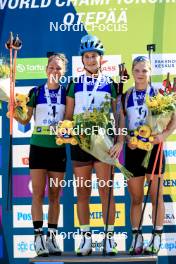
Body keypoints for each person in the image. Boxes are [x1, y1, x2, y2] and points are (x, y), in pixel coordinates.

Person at [111, 56, 176, 255]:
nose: (140, 74)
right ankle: (137, 237)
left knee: (156, 195)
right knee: (136, 197)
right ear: (132, 72)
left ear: (149, 72)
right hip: (133, 150)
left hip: (154, 147)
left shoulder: (158, 94)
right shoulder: (125, 96)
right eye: (137, 71)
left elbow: (173, 117)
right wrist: (123, 140)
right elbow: (121, 126)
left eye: (144, 71)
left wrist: (163, 135)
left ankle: (156, 236)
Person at [65, 35, 119, 256]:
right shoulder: (73, 83)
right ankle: (86, 239)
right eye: (86, 56)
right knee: (82, 193)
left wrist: (120, 140)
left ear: (100, 59)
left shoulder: (111, 83)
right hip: (80, 144)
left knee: (106, 192)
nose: (90, 60)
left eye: (94, 56)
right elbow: (68, 115)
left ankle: (109, 239)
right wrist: (67, 129)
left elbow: (118, 114)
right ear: (82, 59)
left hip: (104, 144)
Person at [14, 54, 68, 257]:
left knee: (55, 196)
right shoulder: (35, 92)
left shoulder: (67, 94)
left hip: (58, 150)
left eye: (59, 69)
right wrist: (16, 108)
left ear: (63, 72)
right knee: (37, 194)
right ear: (46, 70)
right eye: (52, 68)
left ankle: (51, 237)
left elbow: (69, 121)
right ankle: (38, 237)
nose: (55, 71)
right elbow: (25, 120)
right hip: (38, 147)